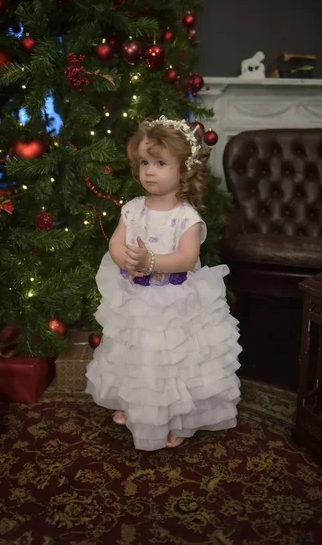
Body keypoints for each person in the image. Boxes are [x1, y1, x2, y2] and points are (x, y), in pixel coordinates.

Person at [85, 116, 241, 450]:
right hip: (137, 297)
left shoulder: (186, 216)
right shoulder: (133, 209)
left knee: (173, 361)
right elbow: (115, 242)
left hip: (175, 301)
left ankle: (179, 419)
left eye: (160, 163)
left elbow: (186, 257)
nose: (149, 171)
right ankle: (137, 405)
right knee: (138, 356)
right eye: (144, 163)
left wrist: (150, 261)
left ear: (184, 170)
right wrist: (123, 259)